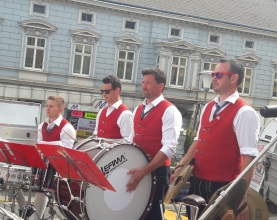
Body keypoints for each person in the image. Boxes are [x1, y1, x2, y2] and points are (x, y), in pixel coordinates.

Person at [171, 58, 260, 220]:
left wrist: (240, 199)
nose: (213, 78)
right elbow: (198, 141)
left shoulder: (244, 112)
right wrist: (182, 164)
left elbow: (250, 158)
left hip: (223, 188)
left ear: (233, 78)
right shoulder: (208, 107)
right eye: (213, 74)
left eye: (218, 74)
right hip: (198, 182)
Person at [126, 68, 183, 220]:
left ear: (160, 86)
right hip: (138, 169)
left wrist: (145, 171)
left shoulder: (170, 111)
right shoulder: (138, 109)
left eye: (148, 83)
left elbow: (169, 148)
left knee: (153, 216)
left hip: (157, 173)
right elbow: (130, 139)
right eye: (143, 82)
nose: (143, 86)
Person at [17, 95, 76, 219]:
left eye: (51, 106)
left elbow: (67, 153)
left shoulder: (67, 128)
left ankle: (36, 217)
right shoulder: (42, 125)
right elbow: (40, 146)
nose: (47, 108)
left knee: (41, 191)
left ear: (60, 109)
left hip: (55, 166)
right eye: (47, 105)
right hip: (42, 163)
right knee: (17, 179)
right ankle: (24, 210)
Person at [93, 75, 133, 140]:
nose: (104, 94)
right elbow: (96, 133)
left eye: (107, 91)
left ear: (117, 90)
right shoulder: (101, 112)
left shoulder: (125, 114)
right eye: (102, 91)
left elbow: (128, 141)